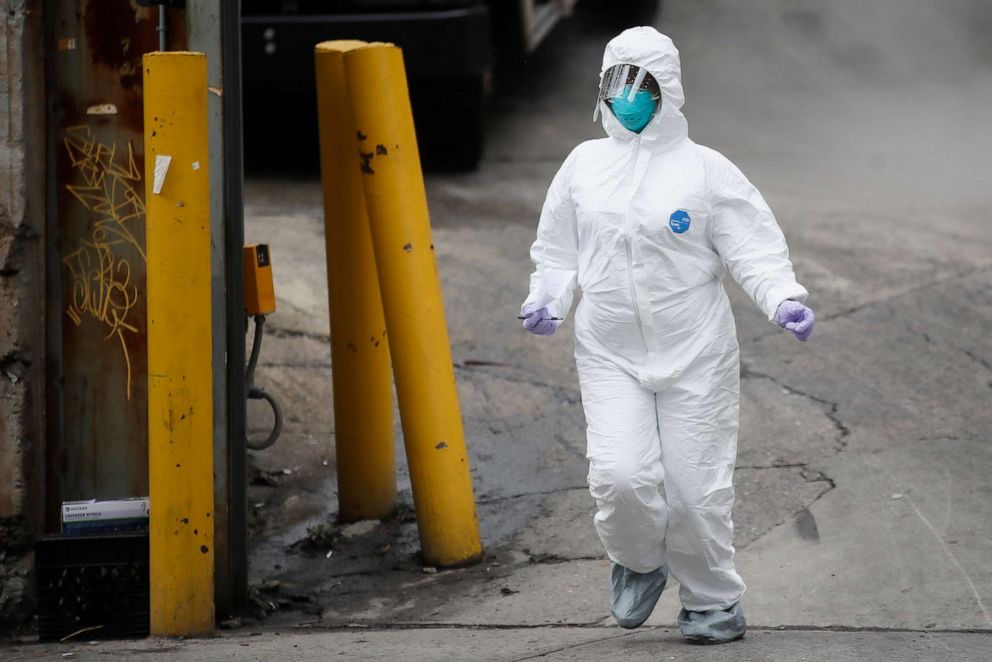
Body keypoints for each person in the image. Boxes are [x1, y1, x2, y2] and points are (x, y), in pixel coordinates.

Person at [520, 26, 814, 645]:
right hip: (610, 352)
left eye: (641, 84)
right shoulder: (583, 166)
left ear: (667, 91)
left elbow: (752, 247)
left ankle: (713, 603)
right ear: (602, 89)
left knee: (695, 491)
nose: (627, 97)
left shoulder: (704, 172)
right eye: (616, 84)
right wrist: (548, 296)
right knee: (620, 477)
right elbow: (557, 249)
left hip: (696, 354)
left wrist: (782, 296)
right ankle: (637, 558)